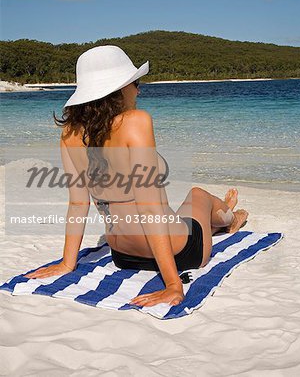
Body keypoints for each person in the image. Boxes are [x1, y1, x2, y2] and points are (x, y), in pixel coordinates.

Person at [24, 45, 248, 307]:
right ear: (118, 89)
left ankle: (220, 218)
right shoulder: (136, 122)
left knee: (181, 213)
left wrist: (67, 262)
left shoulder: (69, 134)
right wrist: (173, 284)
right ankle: (232, 219)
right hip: (180, 254)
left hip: (123, 255)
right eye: (135, 83)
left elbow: (78, 203)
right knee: (198, 194)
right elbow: (149, 208)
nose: (139, 90)